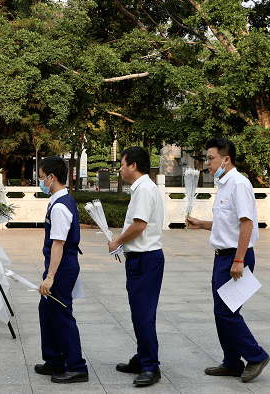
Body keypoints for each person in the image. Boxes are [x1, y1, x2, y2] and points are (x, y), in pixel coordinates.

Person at [186, 137, 269, 382]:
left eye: (211, 158)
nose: (208, 163)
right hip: (222, 257)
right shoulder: (223, 184)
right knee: (222, 311)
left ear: (226, 159)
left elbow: (246, 223)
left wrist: (239, 259)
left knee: (226, 313)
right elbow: (227, 223)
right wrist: (202, 224)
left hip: (235, 257)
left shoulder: (239, 184)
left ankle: (256, 356)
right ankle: (232, 362)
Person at [109, 146, 164, 387]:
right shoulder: (143, 188)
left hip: (146, 259)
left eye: (122, 164)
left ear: (133, 165)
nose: (119, 169)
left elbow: (139, 225)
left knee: (143, 314)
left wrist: (117, 241)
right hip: (141, 258)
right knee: (139, 312)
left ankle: (151, 366)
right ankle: (142, 357)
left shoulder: (144, 190)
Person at [33, 156, 89, 384]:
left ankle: (77, 366)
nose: (40, 182)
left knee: (61, 314)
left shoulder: (60, 206)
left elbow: (58, 243)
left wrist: (50, 277)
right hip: (61, 265)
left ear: (51, 177)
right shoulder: (61, 200)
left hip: (62, 267)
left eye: (41, 178)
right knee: (47, 310)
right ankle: (54, 360)